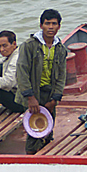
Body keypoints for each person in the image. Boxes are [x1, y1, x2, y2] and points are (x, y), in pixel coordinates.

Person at [16, 9, 68, 154]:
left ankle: (45, 156)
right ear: (41, 26)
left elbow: (61, 76)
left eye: (54, 24)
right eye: (47, 24)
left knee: (48, 129)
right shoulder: (29, 46)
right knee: (34, 131)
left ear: (59, 26)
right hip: (33, 93)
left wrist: (55, 99)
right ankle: (31, 157)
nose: (50, 27)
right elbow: (21, 72)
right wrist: (30, 97)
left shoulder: (60, 49)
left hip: (49, 93)